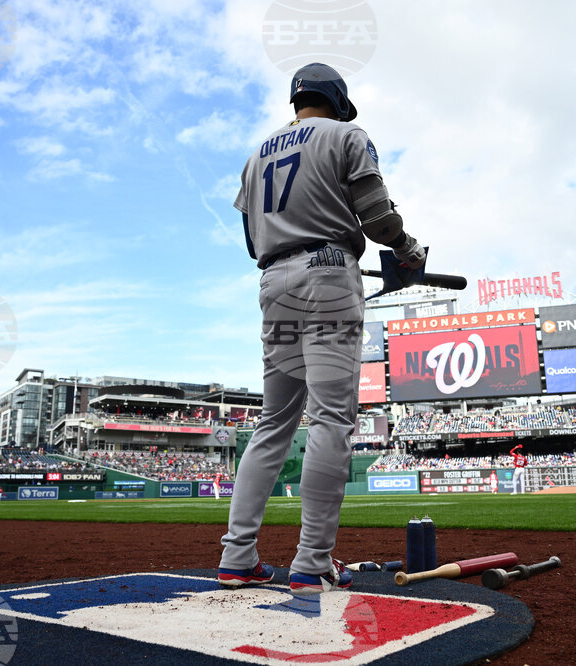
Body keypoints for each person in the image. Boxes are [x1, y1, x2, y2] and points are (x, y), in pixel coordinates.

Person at [219, 62, 426, 593]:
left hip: (273, 282)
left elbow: (251, 240)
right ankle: (312, 561)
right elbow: (377, 216)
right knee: (331, 418)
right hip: (329, 273)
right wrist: (405, 251)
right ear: (337, 99)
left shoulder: (255, 156)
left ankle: (238, 557)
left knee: (274, 422)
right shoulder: (346, 133)